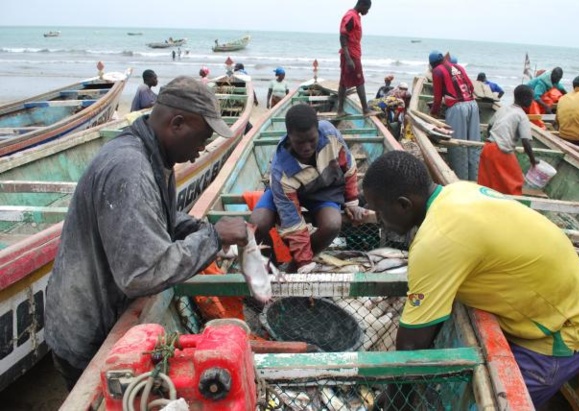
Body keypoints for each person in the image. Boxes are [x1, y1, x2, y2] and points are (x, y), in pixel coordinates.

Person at [44, 76, 250, 390]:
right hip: (86, 333)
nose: (201, 150)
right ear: (178, 123)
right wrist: (213, 238)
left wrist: (197, 228)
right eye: (203, 138)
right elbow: (143, 272)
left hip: (93, 313)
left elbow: (155, 219)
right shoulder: (130, 168)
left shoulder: (149, 153)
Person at [362, 150, 579, 409]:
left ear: (403, 204)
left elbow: (412, 345)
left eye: (379, 211)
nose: (378, 220)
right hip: (563, 306)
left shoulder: (437, 238)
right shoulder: (457, 192)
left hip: (565, 334)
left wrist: (393, 403)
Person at [249, 104, 366, 272]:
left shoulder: (331, 135)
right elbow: (292, 219)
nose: (306, 147)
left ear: (318, 131)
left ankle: (292, 267)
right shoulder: (281, 170)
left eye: (312, 140)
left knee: (332, 224)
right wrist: (304, 259)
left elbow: (348, 166)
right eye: (299, 142)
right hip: (287, 192)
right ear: (289, 137)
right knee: (257, 224)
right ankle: (269, 269)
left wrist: (352, 202)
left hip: (324, 189)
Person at [429, 50, 481, 180]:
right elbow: (471, 87)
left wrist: (434, 113)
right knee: (473, 143)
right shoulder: (459, 67)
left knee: (457, 144)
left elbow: (437, 97)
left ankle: (460, 179)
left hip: (457, 108)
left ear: (432, 64)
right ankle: (474, 178)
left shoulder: (437, 71)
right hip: (472, 105)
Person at [478, 85, 537, 194]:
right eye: (531, 98)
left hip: (487, 148)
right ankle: (514, 206)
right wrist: (533, 160)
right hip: (501, 150)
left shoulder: (503, 108)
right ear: (525, 98)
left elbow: (490, 127)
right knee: (516, 181)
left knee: (487, 182)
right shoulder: (522, 115)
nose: (532, 101)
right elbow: (525, 141)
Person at [336, 0, 378, 117]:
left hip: (351, 54)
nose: (367, 12)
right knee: (360, 81)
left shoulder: (355, 16)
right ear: (362, 5)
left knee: (343, 82)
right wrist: (349, 58)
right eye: (367, 9)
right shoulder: (351, 17)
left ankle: (340, 110)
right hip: (351, 55)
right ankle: (365, 110)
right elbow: (343, 37)